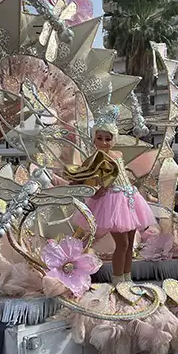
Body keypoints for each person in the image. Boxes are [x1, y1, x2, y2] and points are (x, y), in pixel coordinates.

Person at [65, 100, 155, 285]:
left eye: (108, 138)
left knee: (129, 244)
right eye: (100, 138)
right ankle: (117, 279)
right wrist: (94, 192)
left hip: (130, 199)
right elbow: (78, 180)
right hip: (112, 203)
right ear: (94, 138)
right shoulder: (92, 159)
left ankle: (127, 277)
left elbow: (120, 174)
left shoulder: (118, 155)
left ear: (113, 139)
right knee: (121, 244)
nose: (104, 142)